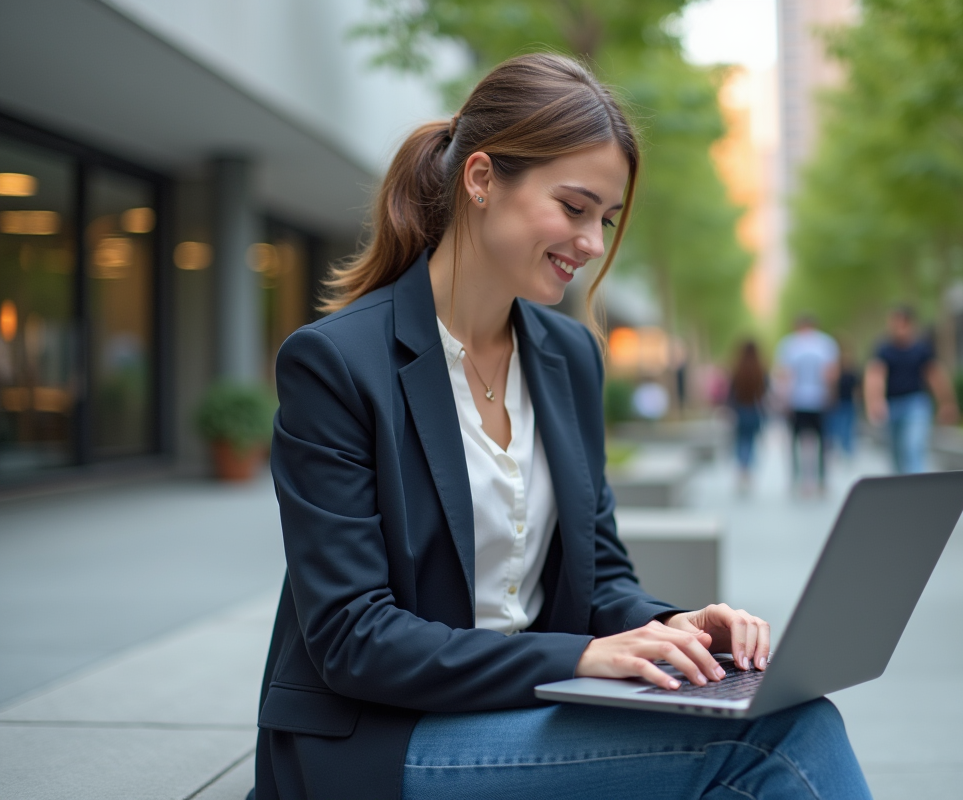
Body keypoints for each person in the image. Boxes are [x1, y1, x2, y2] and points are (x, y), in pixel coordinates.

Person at [250, 54, 871, 800]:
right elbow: (353, 637)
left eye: (605, 220)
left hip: (528, 706)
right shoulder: (335, 364)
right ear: (481, 180)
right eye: (575, 209)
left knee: (786, 711)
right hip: (377, 738)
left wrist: (678, 629)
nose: (593, 244)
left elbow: (600, 576)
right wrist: (577, 660)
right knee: (777, 742)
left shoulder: (568, 356)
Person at [864, 307, 958, 474]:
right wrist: (875, 402)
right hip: (892, 405)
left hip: (916, 403)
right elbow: (875, 376)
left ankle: (917, 484)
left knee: (914, 445)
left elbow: (934, 375)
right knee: (896, 453)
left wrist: (946, 403)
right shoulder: (883, 349)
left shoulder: (922, 349)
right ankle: (901, 487)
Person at [775, 315, 839, 495]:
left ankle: (797, 479)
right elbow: (830, 373)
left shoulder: (789, 344)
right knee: (822, 442)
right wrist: (831, 394)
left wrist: (784, 399)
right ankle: (821, 480)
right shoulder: (826, 343)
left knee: (796, 442)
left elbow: (785, 375)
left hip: (797, 400)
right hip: (819, 399)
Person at [727, 340, 769, 494]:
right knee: (751, 442)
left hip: (740, 411)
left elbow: (731, 393)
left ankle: (742, 470)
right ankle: (748, 472)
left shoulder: (737, 369)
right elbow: (764, 392)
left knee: (740, 442)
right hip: (755, 411)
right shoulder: (760, 369)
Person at [825, 348, 860, 458]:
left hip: (849, 403)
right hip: (838, 404)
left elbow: (857, 388)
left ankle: (848, 450)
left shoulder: (852, 373)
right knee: (838, 427)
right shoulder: (837, 373)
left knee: (848, 427)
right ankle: (839, 449)